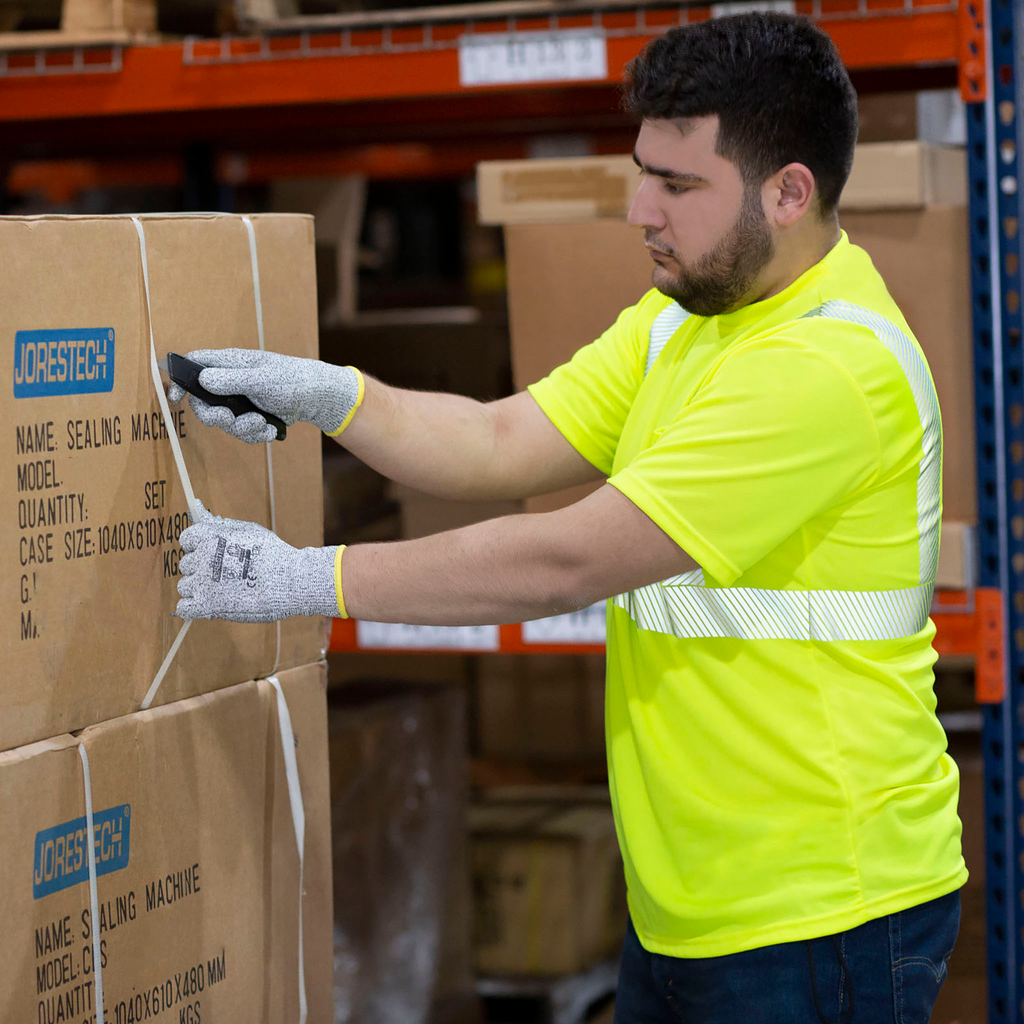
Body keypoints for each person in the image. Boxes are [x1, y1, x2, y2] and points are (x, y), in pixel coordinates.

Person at [170, 12, 965, 1022]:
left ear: (789, 191)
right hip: (689, 899)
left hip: (819, 911)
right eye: (643, 172)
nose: (639, 209)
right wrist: (330, 396)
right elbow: (500, 444)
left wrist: (300, 579)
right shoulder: (687, 321)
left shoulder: (824, 370)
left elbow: (562, 560)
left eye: (677, 185)